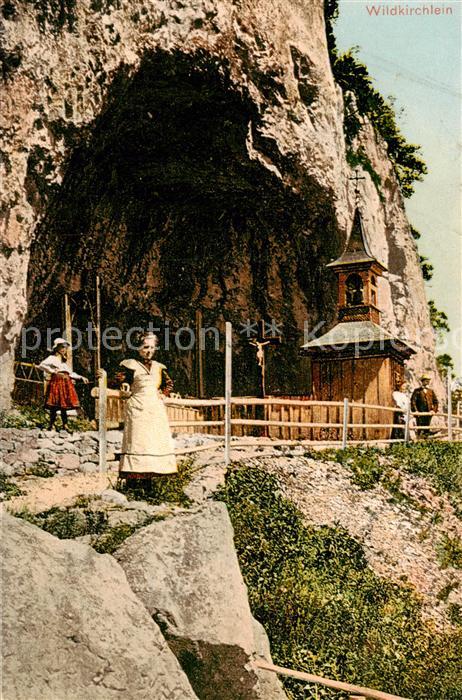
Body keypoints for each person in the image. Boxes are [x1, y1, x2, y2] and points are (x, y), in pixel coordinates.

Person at [111, 332, 177, 487]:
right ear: (137, 348)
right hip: (138, 408)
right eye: (145, 347)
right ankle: (133, 482)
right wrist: (123, 385)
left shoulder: (159, 367)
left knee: (153, 442)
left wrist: (164, 393)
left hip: (155, 409)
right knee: (138, 441)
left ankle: (149, 482)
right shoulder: (130, 364)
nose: (149, 351)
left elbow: (169, 383)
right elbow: (118, 381)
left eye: (152, 347)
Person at [38, 338, 89, 432]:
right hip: (57, 383)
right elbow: (41, 365)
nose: (64, 350)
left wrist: (82, 377)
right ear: (56, 348)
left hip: (65, 384)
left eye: (65, 348)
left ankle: (65, 425)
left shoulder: (63, 362)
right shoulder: (52, 358)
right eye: (62, 347)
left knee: (63, 405)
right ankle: (51, 425)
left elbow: (70, 373)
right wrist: (53, 371)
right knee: (54, 404)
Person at [411, 373, 438, 439]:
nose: (427, 382)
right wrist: (416, 411)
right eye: (426, 380)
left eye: (428, 380)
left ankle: (426, 441)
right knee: (419, 428)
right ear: (422, 381)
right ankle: (418, 440)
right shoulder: (417, 391)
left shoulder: (431, 391)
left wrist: (433, 410)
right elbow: (413, 401)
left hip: (428, 413)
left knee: (427, 428)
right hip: (420, 413)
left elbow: (436, 402)